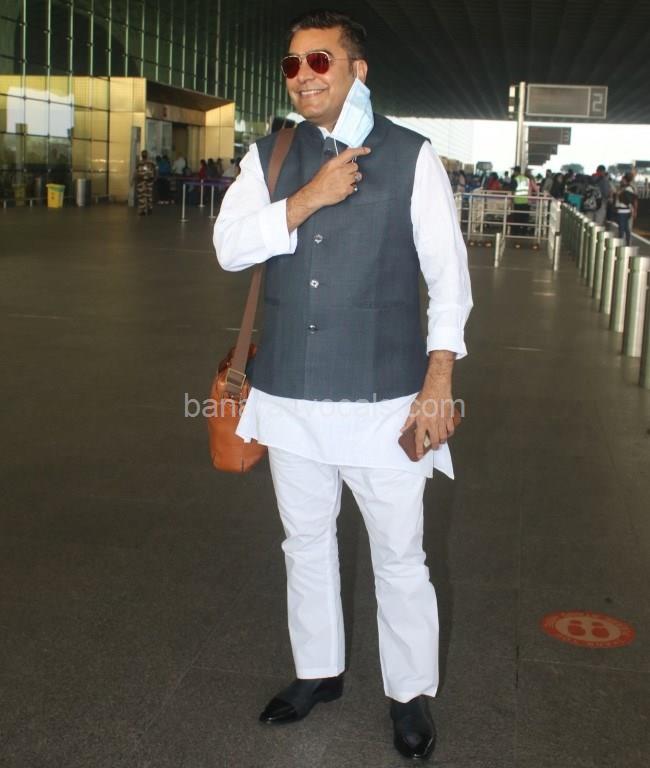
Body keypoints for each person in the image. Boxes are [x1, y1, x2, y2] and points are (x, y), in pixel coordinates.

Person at [213, 9, 472, 762]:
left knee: (400, 554)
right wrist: (307, 198)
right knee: (304, 540)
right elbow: (229, 247)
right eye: (292, 64)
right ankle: (318, 672)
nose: (303, 76)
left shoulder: (412, 155)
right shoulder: (270, 155)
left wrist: (439, 378)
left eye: (319, 60)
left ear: (357, 71)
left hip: (384, 398)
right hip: (288, 393)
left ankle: (409, 694)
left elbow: (448, 279)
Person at [614, 172, 638, 245]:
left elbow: (629, 200)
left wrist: (633, 210)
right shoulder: (629, 188)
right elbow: (634, 200)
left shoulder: (627, 189)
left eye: (622, 179)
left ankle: (622, 243)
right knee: (626, 228)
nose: (621, 180)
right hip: (626, 211)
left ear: (625, 179)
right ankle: (627, 243)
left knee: (622, 228)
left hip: (623, 211)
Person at [133, 149, 156, 215]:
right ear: (147, 155)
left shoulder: (139, 163)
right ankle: (149, 209)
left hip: (141, 181)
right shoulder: (151, 163)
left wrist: (133, 180)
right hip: (148, 181)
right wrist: (155, 178)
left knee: (141, 196)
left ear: (141, 155)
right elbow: (156, 170)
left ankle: (143, 210)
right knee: (149, 195)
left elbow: (136, 172)